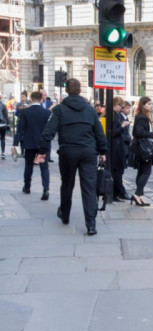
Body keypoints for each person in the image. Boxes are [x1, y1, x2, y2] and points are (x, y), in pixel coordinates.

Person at [35, 78, 107, 236]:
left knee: (67, 184)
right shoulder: (89, 109)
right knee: (88, 187)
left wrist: (41, 151)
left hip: (68, 151)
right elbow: (99, 132)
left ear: (66, 91)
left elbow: (48, 131)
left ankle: (65, 215)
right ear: (80, 90)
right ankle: (91, 225)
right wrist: (103, 151)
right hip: (88, 151)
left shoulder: (59, 109)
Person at [12, 91, 51, 199]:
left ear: (31, 99)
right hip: (43, 144)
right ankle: (46, 189)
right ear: (41, 100)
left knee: (28, 166)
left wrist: (15, 144)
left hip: (29, 143)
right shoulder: (47, 113)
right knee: (44, 167)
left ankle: (27, 186)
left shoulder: (25, 112)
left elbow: (20, 129)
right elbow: (50, 130)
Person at [131, 96, 153, 206]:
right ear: (143, 105)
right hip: (143, 148)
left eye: (151, 104)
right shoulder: (141, 117)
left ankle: (140, 196)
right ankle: (137, 194)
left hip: (141, 147)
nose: (151, 106)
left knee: (142, 171)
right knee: (146, 171)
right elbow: (138, 132)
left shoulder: (143, 116)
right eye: (149, 104)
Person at [110, 97, 131, 201]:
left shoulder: (117, 115)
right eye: (121, 106)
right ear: (116, 105)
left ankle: (117, 193)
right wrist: (122, 126)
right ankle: (117, 193)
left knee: (118, 171)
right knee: (116, 171)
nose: (121, 108)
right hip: (115, 148)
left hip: (120, 147)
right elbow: (112, 132)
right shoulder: (112, 115)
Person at [0, 95, 8, 160]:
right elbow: (6, 116)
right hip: (3, 124)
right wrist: (7, 125)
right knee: (2, 138)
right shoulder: (4, 106)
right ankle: (3, 153)